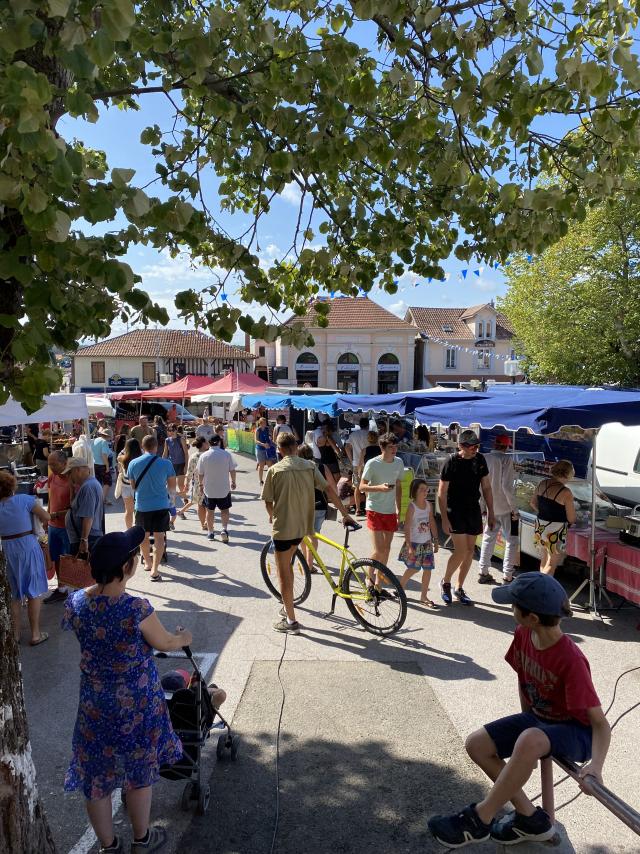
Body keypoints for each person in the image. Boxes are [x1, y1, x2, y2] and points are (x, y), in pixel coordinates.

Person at [428, 573, 610, 848]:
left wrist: (595, 767)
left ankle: (480, 820)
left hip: (578, 732)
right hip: (540, 722)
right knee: (477, 744)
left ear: (532, 617)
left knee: (530, 738)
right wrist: (527, 735)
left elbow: (599, 723)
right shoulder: (524, 633)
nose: (510, 610)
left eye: (514, 606)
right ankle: (530, 819)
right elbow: (524, 680)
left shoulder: (571, 660)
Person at [62, 527, 191, 854]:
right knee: (138, 770)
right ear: (126, 567)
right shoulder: (136, 608)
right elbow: (165, 642)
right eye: (134, 555)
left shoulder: (76, 602)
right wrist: (183, 637)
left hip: (94, 704)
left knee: (96, 776)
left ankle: (109, 846)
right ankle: (142, 839)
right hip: (136, 706)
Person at [261, 432, 334, 634]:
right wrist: (345, 514)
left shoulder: (275, 470)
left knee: (283, 572)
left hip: (284, 528)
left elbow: (268, 500)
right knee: (290, 563)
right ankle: (288, 606)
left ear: (279, 449)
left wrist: (271, 515)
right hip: (303, 527)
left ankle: (291, 621)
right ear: (296, 446)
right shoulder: (309, 466)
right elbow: (328, 489)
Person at [438, 429, 495, 607]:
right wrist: (445, 519)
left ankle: (459, 587)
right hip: (455, 510)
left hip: (473, 509)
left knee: (470, 551)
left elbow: (486, 488)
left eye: (477, 446)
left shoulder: (480, 460)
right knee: (461, 550)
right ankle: (445, 581)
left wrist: (491, 512)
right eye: (472, 446)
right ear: (461, 446)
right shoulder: (451, 461)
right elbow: (442, 493)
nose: (475, 449)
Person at [0, 471, 50, 644]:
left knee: (15, 594)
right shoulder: (24, 500)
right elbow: (46, 516)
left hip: (7, 549)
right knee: (33, 591)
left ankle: (15, 635)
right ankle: (35, 634)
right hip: (27, 545)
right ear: (11, 485)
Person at [297, 444, 354, 572]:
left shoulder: (298, 468)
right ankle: (309, 564)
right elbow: (332, 486)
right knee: (314, 535)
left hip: (302, 505)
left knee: (303, 534)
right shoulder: (322, 467)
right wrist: (335, 501)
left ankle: (306, 560)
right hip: (320, 505)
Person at [127, 435, 176, 581]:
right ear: (156, 447)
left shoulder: (133, 463)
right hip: (161, 505)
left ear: (143, 447)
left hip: (142, 505)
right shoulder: (166, 464)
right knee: (160, 537)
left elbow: (133, 487)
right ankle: (155, 569)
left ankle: (147, 563)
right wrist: (172, 506)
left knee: (144, 536)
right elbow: (172, 488)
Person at [359, 432, 404, 580]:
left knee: (387, 548)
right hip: (374, 509)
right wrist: (379, 488)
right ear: (382, 447)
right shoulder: (372, 463)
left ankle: (379, 579)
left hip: (390, 510)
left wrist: (399, 509)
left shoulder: (399, 462)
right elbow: (361, 487)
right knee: (379, 550)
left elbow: (398, 485)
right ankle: (369, 577)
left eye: (395, 446)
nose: (394, 449)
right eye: (391, 446)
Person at [478, 435, 519, 586]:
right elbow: (507, 487)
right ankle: (507, 575)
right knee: (512, 540)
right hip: (505, 507)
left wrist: (483, 506)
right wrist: (514, 509)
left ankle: (483, 571)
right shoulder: (506, 459)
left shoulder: (485, 457)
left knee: (488, 538)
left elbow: (481, 486)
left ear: (495, 444)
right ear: (507, 446)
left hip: (491, 507)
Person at [398, 478, 440, 607]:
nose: (425, 492)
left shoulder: (428, 505)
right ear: (414, 491)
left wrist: (436, 539)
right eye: (421, 489)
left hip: (426, 543)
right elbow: (407, 527)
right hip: (415, 543)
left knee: (428, 570)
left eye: (426, 489)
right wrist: (409, 546)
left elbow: (432, 522)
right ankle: (400, 588)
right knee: (413, 569)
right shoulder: (412, 507)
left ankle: (423, 596)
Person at [531, 460, 577, 576]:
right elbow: (571, 518)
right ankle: (543, 589)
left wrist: (545, 512)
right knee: (552, 563)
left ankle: (540, 584)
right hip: (556, 530)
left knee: (544, 560)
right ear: (568, 473)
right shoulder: (566, 492)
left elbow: (532, 503)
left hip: (540, 526)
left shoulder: (542, 483)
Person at [43, 450, 73, 604]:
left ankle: (71, 589)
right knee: (56, 558)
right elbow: (51, 497)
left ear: (64, 463)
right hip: (52, 525)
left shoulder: (72, 480)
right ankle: (61, 588)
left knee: (68, 558)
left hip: (66, 527)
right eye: (50, 464)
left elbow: (74, 508)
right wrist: (47, 517)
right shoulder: (53, 476)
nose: (51, 467)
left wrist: (54, 515)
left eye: (54, 464)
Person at [198, 435, 237, 543]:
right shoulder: (226, 454)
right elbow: (232, 470)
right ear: (219, 442)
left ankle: (210, 532)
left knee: (210, 511)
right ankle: (224, 529)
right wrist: (233, 481)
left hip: (209, 489)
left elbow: (200, 473)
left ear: (209, 443)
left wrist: (201, 485)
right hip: (223, 488)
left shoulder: (204, 456)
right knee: (224, 510)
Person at [64, 458, 105, 556]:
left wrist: (84, 540)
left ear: (77, 470)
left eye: (69, 473)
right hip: (85, 537)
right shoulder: (88, 485)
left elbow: (88, 516)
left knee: (83, 570)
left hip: (88, 538)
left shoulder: (88, 487)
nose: (68, 477)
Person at [178, 437, 208, 529]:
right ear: (203, 444)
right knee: (209, 506)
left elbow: (189, 472)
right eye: (206, 442)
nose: (208, 443)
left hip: (198, 484)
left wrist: (187, 485)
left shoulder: (194, 456)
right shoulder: (208, 455)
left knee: (200, 505)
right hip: (210, 484)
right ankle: (208, 523)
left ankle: (203, 524)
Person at [345, 417, 370, 516]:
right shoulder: (370, 435)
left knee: (357, 487)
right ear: (368, 425)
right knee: (368, 487)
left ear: (359, 425)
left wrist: (351, 460)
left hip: (356, 463)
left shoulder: (353, 434)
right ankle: (368, 510)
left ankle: (358, 509)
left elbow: (346, 447)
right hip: (368, 463)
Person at [118, 438, 143, 530]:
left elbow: (119, 456)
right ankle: (139, 531)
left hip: (126, 486)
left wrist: (125, 448)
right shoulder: (141, 457)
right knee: (139, 510)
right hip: (138, 486)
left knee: (128, 510)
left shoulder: (122, 458)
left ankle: (129, 531)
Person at [163, 424, 189, 495]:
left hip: (181, 464)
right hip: (171, 464)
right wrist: (161, 464)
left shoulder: (181, 439)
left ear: (176, 430)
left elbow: (186, 453)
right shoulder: (167, 440)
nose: (171, 432)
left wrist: (186, 466)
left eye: (172, 430)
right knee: (171, 485)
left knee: (180, 485)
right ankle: (171, 503)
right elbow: (165, 453)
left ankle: (185, 498)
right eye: (169, 430)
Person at [254, 417, 275, 486]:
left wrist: (270, 438)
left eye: (266, 422)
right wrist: (263, 444)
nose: (265, 424)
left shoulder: (267, 429)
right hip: (260, 449)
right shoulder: (258, 430)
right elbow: (256, 441)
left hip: (267, 448)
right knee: (261, 466)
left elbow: (271, 436)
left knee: (270, 465)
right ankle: (261, 480)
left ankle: (270, 480)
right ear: (260, 423)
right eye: (264, 422)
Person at [92, 431, 112, 503]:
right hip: (102, 465)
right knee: (107, 482)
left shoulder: (95, 440)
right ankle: (101, 500)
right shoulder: (104, 442)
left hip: (95, 464)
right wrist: (107, 466)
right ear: (108, 436)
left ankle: (100, 498)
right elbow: (104, 455)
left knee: (99, 483)